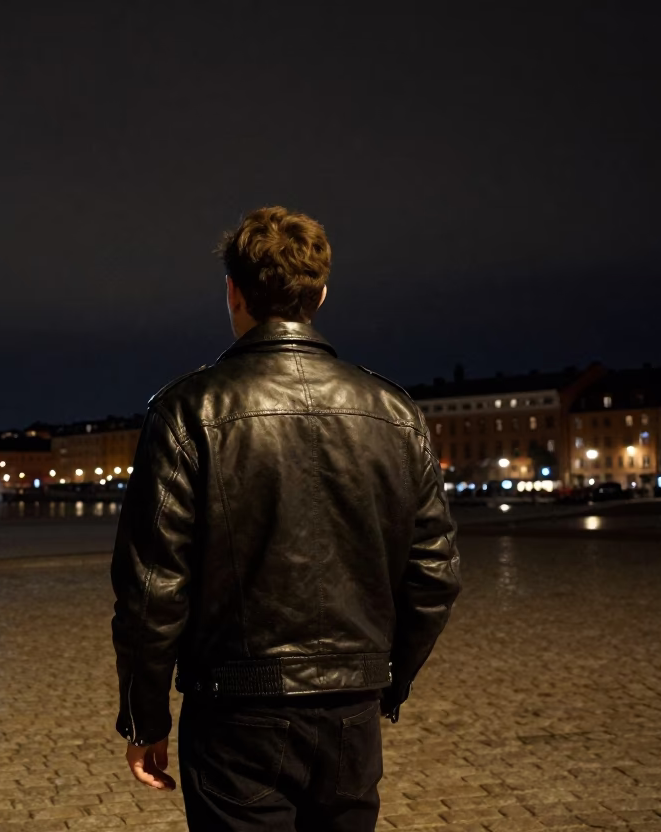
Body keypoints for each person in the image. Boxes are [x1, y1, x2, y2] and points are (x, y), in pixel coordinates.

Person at [111, 207, 461, 832]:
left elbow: (152, 586)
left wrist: (146, 719)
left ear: (233, 292)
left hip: (235, 711)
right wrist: (383, 681)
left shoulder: (189, 409)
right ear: (321, 294)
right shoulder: (393, 410)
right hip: (351, 711)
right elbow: (434, 576)